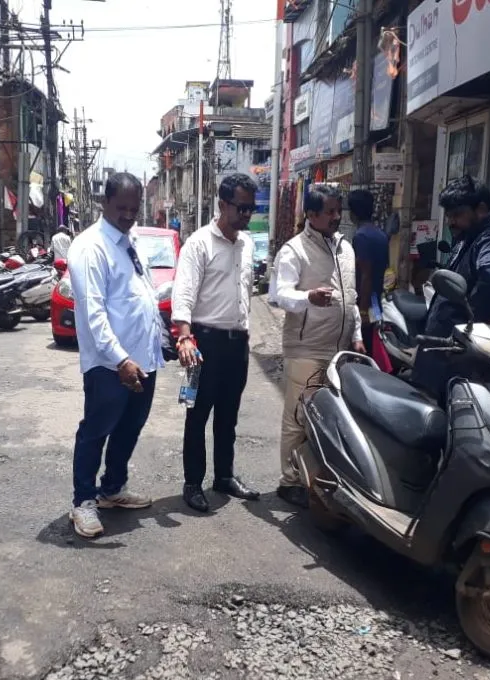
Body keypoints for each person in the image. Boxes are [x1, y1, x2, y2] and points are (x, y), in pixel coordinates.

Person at [67, 172, 163, 539]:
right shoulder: (90, 247)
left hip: (144, 359)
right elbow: (94, 315)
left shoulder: (129, 240)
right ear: (103, 203)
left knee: (129, 428)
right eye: (120, 207)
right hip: (111, 364)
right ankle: (83, 502)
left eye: (133, 208)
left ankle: (112, 489)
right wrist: (120, 360)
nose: (127, 215)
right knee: (96, 430)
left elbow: (140, 292)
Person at [173, 173, 262, 512]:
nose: (246, 216)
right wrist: (184, 336)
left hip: (237, 344)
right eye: (241, 208)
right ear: (222, 204)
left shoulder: (247, 243)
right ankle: (193, 483)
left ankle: (224, 476)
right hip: (204, 345)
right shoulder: (199, 243)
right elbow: (183, 292)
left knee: (229, 415)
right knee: (196, 415)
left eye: (250, 209)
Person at [273, 184, 364, 508]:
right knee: (299, 416)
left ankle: (320, 475)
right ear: (311, 215)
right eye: (330, 212)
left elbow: (349, 296)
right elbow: (279, 294)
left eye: (339, 210)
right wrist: (307, 298)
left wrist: (358, 336)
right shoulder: (294, 250)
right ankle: (289, 480)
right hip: (306, 348)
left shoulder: (345, 248)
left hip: (340, 348)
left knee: (332, 417)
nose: (337, 217)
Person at [411, 176, 490, 403]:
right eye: (449, 215)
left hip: (461, 358)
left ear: (481, 209)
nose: (451, 222)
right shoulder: (472, 237)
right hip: (448, 352)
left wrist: (472, 325)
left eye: (457, 215)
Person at [349, 188, 390, 350]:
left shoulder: (361, 236)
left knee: (362, 345)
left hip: (366, 302)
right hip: (377, 299)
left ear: (353, 213)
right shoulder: (380, 234)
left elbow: (366, 274)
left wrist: (363, 310)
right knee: (373, 342)